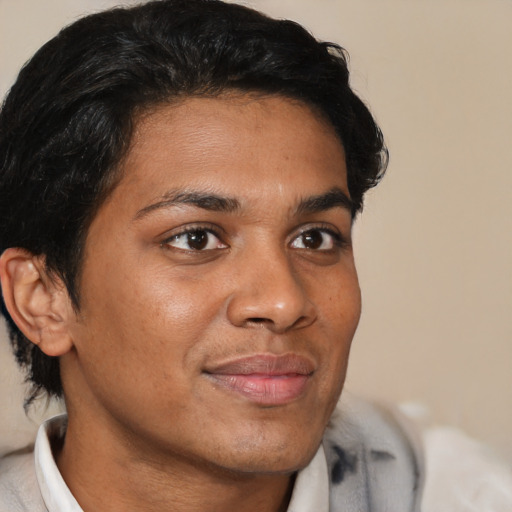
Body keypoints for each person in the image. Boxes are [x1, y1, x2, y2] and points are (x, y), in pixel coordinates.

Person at [0, 1, 510, 511]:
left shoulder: (457, 494)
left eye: (315, 238)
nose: (285, 302)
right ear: (41, 297)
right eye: (196, 239)